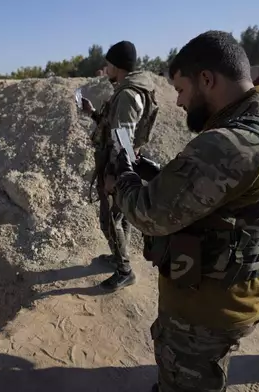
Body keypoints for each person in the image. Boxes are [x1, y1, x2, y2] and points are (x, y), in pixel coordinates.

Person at [110, 31, 259, 391]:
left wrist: (122, 176)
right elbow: (224, 196)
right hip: (234, 294)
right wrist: (161, 175)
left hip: (204, 310)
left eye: (181, 90)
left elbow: (147, 213)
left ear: (207, 79)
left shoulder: (227, 145)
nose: (180, 103)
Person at [80, 41, 159, 291]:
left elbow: (123, 140)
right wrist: (93, 113)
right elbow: (115, 128)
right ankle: (118, 256)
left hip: (117, 165)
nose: (106, 68)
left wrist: (115, 175)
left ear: (117, 66)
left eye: (109, 64)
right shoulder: (131, 89)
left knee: (110, 220)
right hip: (121, 163)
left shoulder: (126, 95)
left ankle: (124, 270)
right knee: (120, 214)